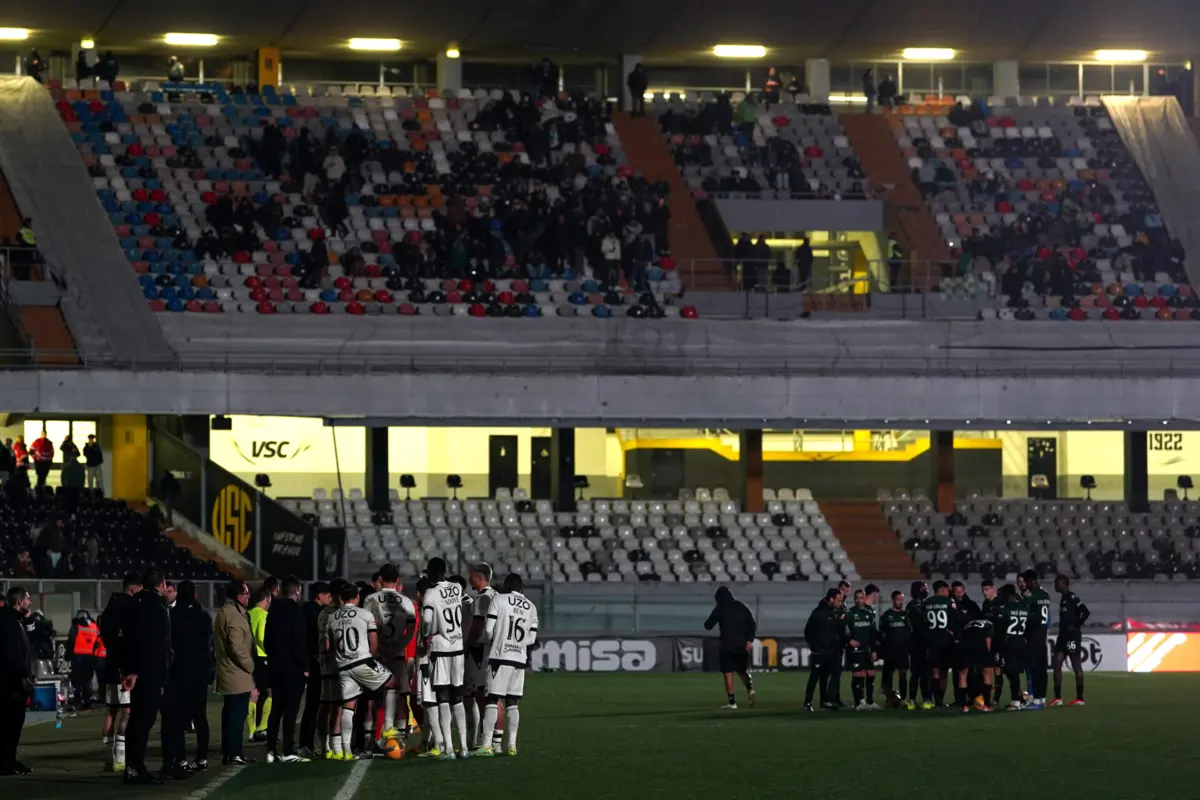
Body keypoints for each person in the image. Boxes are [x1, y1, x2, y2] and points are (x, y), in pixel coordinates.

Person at [120, 567, 180, 785]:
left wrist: (129, 669)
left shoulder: (136, 603)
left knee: (139, 719)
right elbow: (150, 643)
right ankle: (136, 768)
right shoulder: (154, 606)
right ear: (162, 584)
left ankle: (135, 766)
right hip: (151, 672)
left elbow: (129, 640)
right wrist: (136, 671)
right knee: (143, 721)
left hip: (140, 671)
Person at [326, 582, 393, 760]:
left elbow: (328, 647)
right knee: (394, 682)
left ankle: (346, 751)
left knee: (348, 707)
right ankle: (389, 727)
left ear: (340, 598)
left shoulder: (332, 617)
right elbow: (374, 642)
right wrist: (372, 660)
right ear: (357, 597)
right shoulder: (364, 614)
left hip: (343, 667)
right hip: (363, 662)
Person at [474, 573, 538, 757]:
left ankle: (486, 745)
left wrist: (493, 641)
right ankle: (511, 745)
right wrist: (516, 645)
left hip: (499, 656)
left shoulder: (498, 600)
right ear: (521, 587)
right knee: (512, 702)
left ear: (506, 585)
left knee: (492, 700)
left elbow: (487, 630)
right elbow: (531, 638)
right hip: (519, 658)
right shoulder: (531, 607)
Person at [421, 557, 468, 759]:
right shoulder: (457, 587)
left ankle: (448, 748)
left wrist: (426, 634)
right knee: (457, 695)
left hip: (441, 648)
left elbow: (427, 620)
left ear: (432, 572)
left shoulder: (431, 593)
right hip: (458, 647)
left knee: (442, 696)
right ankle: (464, 747)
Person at [364, 564, 417, 747]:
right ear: (397, 581)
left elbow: (367, 629)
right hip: (397, 654)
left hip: (376, 654)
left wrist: (377, 650)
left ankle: (369, 740)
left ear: (380, 580)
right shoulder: (406, 602)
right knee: (399, 694)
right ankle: (397, 739)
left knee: (372, 698)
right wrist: (399, 647)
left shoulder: (371, 599)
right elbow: (411, 631)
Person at [163, 581, 211, 772]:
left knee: (178, 718)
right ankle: (201, 758)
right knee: (200, 717)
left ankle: (180, 758)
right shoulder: (204, 616)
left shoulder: (173, 617)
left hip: (179, 673)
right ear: (195, 595)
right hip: (199, 673)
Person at [98, 572, 141, 772]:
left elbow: (106, 635)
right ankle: (120, 758)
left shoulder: (110, 607)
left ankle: (108, 757)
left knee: (111, 711)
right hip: (123, 667)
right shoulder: (129, 608)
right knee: (126, 711)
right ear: (133, 589)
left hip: (110, 664)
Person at [263, 576, 308, 763]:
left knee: (276, 708)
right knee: (290, 710)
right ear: (297, 591)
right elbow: (298, 641)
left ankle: (271, 750)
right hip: (292, 669)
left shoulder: (273, 609)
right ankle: (289, 750)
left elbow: (267, 640)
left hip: (275, 666)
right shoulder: (296, 611)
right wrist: (304, 666)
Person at [213, 580, 255, 766]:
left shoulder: (224, 612)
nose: (249, 597)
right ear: (239, 597)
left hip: (228, 671)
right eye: (246, 594)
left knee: (230, 714)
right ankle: (234, 753)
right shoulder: (235, 616)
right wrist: (251, 667)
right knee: (237, 715)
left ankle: (230, 752)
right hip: (236, 673)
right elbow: (237, 647)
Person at [702, 586, 757, 710]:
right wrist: (749, 640)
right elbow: (752, 624)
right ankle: (750, 689)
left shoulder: (720, 608)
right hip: (742, 645)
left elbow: (708, 625)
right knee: (742, 670)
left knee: (728, 673)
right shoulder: (742, 607)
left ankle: (732, 702)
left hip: (727, 645)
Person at [463, 562, 499, 750]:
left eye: (471, 576)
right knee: (493, 696)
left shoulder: (481, 598)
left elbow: (477, 627)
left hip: (481, 650)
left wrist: (466, 645)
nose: (469, 579)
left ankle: (487, 739)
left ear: (479, 577)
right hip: (495, 650)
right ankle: (495, 741)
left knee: (481, 695)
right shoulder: (497, 596)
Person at [0, 586, 34, 776]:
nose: (30, 602)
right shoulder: (9, 622)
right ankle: (5, 762)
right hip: (9, 683)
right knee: (9, 723)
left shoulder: (14, 620)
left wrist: (29, 619)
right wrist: (23, 677)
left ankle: (10, 760)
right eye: (27, 599)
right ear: (19, 601)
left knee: (13, 724)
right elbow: (12, 654)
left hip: (12, 681)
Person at [298, 581, 331, 757]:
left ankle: (306, 742)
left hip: (308, 663)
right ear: (320, 595)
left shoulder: (304, 610)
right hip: (317, 663)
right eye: (327, 595)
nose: (330, 598)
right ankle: (308, 743)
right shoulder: (318, 613)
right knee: (315, 705)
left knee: (312, 705)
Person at [1051, 575, 1090, 707]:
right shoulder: (1063, 599)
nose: (1054, 586)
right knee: (1056, 664)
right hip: (1063, 636)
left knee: (1076, 665)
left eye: (1056, 583)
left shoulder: (1072, 597)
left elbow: (1085, 612)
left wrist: (1076, 625)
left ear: (1062, 584)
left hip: (1072, 636)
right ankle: (1058, 698)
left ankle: (1080, 698)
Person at [803, 588, 842, 712]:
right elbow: (807, 632)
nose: (839, 603)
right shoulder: (818, 613)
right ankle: (807, 703)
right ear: (831, 599)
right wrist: (816, 646)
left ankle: (826, 701)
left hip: (831, 651)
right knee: (815, 677)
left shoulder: (834, 612)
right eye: (838, 600)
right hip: (819, 652)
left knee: (828, 675)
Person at [921, 580, 958, 709]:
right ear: (943, 589)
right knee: (944, 672)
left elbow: (922, 623)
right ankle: (940, 701)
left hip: (931, 640)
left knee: (935, 671)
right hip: (946, 640)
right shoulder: (949, 602)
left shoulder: (926, 603)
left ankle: (935, 701)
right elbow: (955, 619)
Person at [995, 584, 1030, 710]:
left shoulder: (1004, 608)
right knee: (1014, 673)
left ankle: (1016, 701)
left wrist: (997, 647)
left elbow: (1000, 630)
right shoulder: (1024, 608)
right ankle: (1020, 699)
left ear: (1007, 594)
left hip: (1009, 643)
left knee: (1011, 673)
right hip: (1021, 642)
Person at [844, 589, 880, 710]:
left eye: (861, 598)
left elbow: (873, 633)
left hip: (867, 649)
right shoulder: (849, 613)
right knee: (858, 675)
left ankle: (870, 702)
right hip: (855, 650)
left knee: (871, 673)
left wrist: (874, 650)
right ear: (854, 599)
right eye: (857, 598)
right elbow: (841, 630)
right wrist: (849, 640)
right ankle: (859, 702)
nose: (859, 600)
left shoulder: (869, 612)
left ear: (865, 598)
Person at [1021, 570, 1052, 709]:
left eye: (1025, 581)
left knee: (1034, 669)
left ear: (1029, 581)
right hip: (1043, 636)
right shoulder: (1045, 594)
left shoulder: (1030, 596)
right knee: (1042, 669)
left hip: (1033, 636)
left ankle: (1037, 700)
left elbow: (1027, 617)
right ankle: (1042, 699)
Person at [247, 588, 272, 742]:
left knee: (253, 694)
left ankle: (251, 731)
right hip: (262, 657)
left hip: (248, 658)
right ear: (266, 600)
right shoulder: (263, 615)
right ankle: (262, 728)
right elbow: (261, 637)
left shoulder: (247, 613)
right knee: (271, 692)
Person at [879, 591, 911, 707]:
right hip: (890, 651)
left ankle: (903, 699)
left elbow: (910, 632)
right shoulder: (886, 616)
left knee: (903, 675)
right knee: (889, 675)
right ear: (893, 600)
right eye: (898, 599)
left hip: (903, 650)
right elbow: (881, 634)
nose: (900, 601)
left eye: (902, 599)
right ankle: (889, 698)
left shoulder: (905, 615)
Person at [956, 615, 995, 712]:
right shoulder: (989, 624)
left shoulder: (968, 624)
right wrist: (988, 656)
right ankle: (986, 705)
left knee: (963, 674)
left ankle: (964, 706)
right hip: (979, 644)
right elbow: (988, 641)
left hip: (964, 645)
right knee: (987, 672)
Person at [67, 610, 101, 710]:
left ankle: (78, 700)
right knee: (87, 680)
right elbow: (98, 642)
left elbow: (71, 640)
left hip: (77, 656)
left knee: (77, 680)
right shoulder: (94, 626)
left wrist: (68, 655)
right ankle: (87, 700)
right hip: (90, 656)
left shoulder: (76, 625)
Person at [980, 579, 1004, 702]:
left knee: (998, 669)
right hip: (987, 642)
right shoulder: (985, 605)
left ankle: (996, 698)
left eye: (987, 589)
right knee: (987, 670)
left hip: (999, 642)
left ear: (993, 589)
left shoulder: (1000, 603)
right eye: (983, 590)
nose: (984, 592)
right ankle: (988, 697)